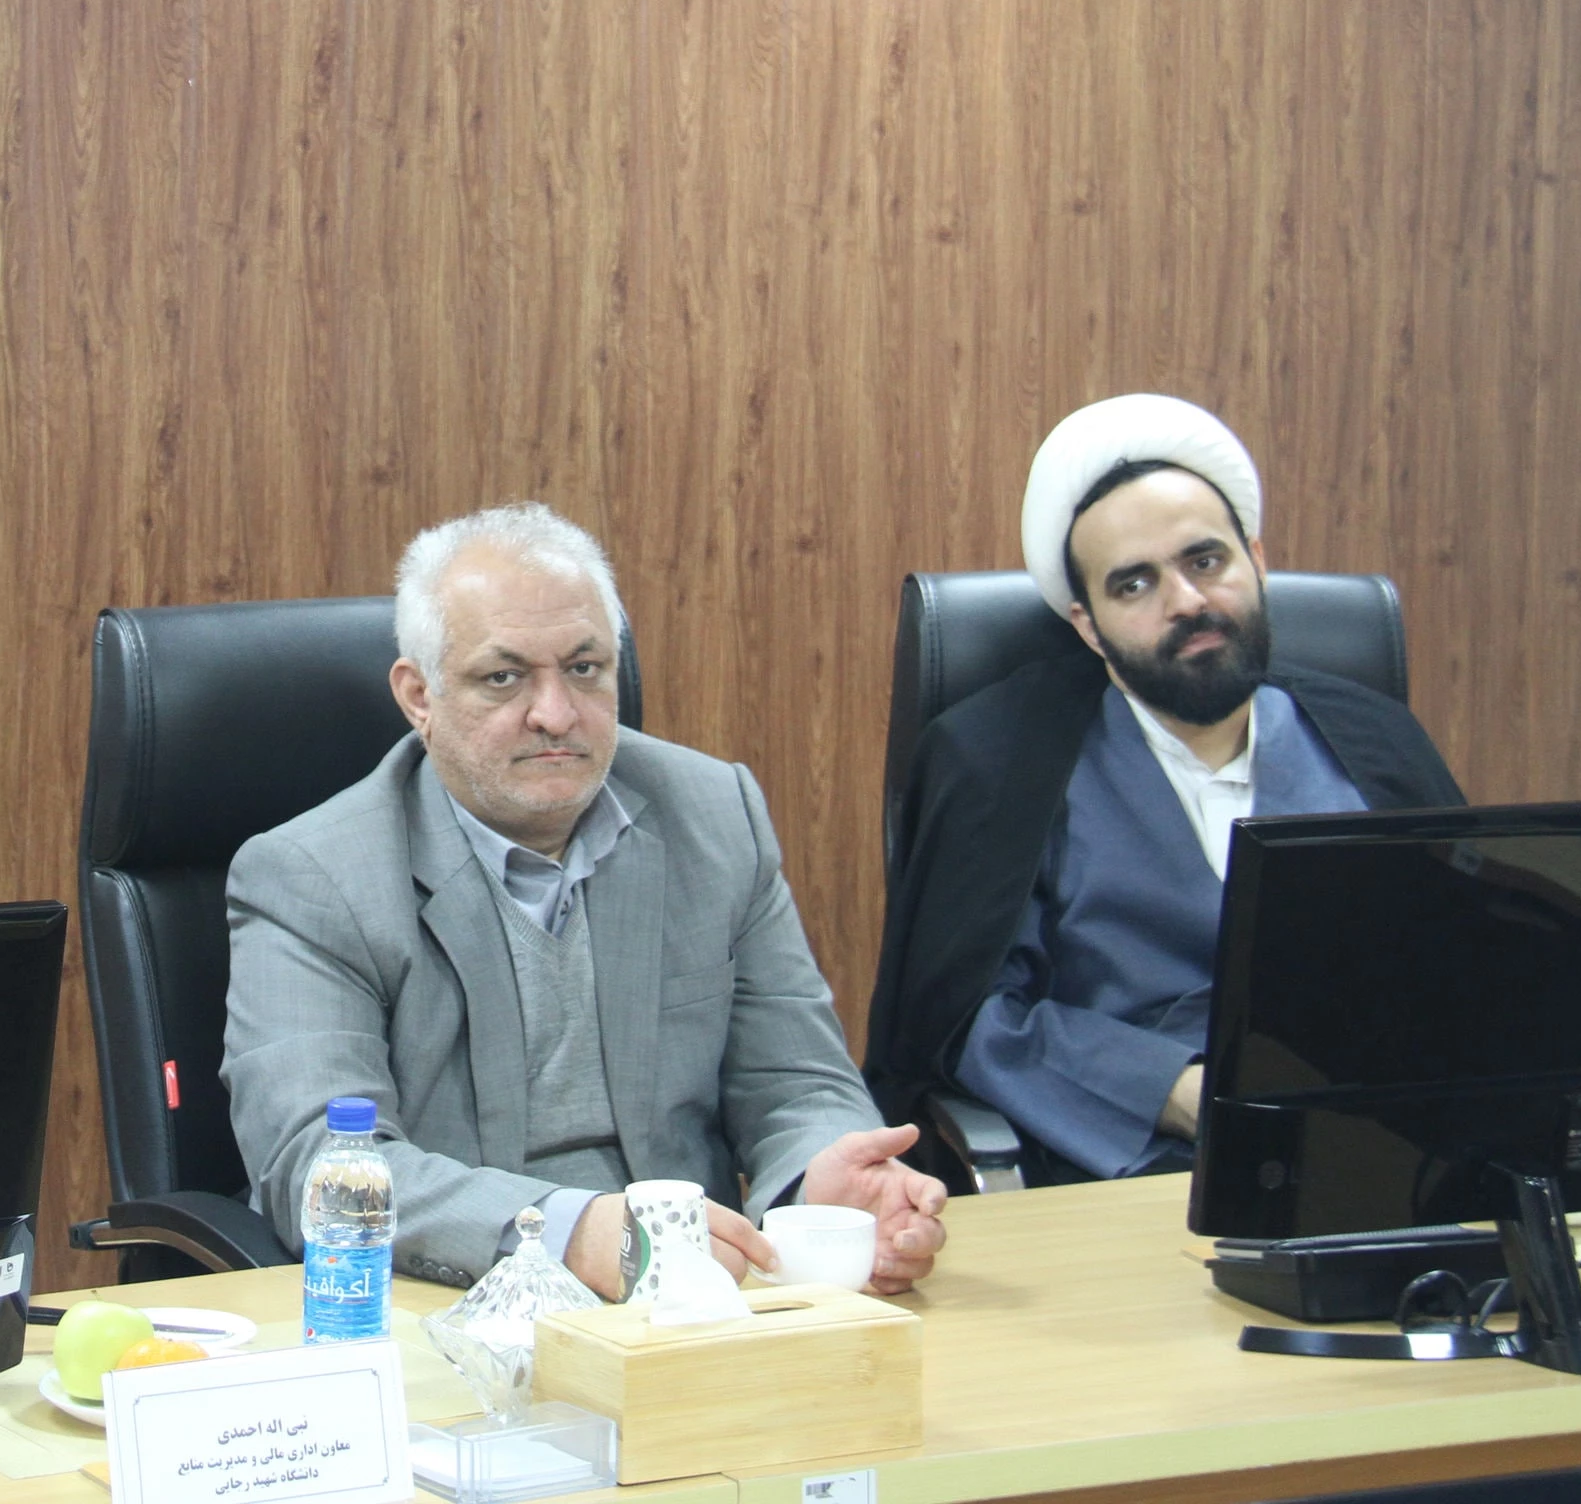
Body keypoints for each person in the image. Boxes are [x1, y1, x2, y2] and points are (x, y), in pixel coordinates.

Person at [223, 504, 948, 1297]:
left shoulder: (713, 816)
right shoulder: (314, 876)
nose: (556, 714)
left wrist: (822, 1185)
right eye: (503, 678)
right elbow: (321, 1169)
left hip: (691, 1305)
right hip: (445, 1309)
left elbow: (798, 1083)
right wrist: (565, 1234)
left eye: (583, 668)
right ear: (419, 695)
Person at [864, 394, 1463, 1183]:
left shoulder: (1374, 744)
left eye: (1206, 561)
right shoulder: (1000, 763)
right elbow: (970, 1020)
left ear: (1257, 561)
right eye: (1134, 585)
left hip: (1385, 1157)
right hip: (1125, 1167)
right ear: (1088, 625)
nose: (1187, 601)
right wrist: (1174, 1093)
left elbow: (1467, 972)